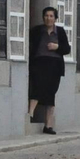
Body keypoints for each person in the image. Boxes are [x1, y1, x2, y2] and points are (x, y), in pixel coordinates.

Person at [26, 7, 70, 135]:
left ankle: (48, 125)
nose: (48, 18)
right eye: (46, 16)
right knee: (37, 89)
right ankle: (29, 116)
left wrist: (57, 47)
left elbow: (67, 49)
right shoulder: (37, 30)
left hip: (55, 65)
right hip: (39, 63)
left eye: (51, 16)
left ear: (55, 18)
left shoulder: (60, 32)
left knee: (51, 93)